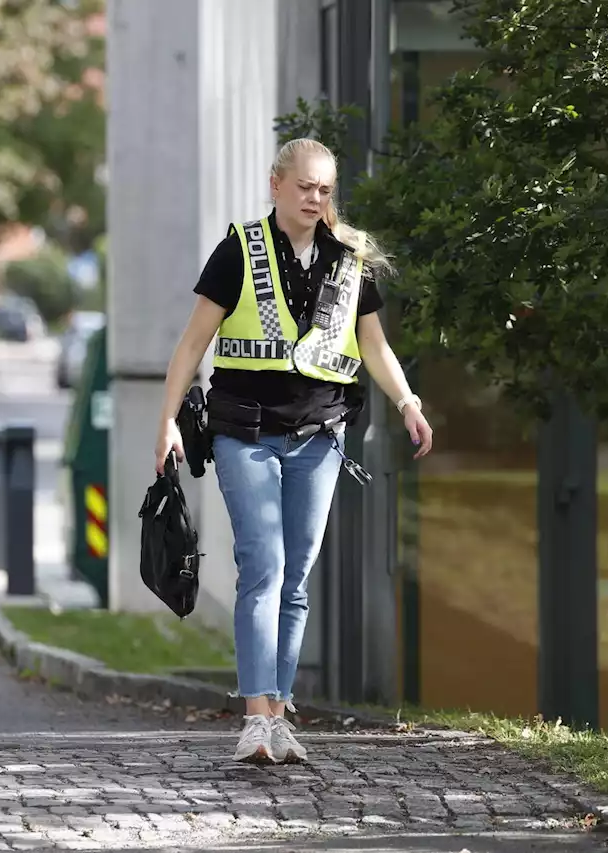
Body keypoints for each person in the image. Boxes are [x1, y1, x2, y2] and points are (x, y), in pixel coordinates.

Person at [154, 137, 433, 765]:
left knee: (296, 579)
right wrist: (168, 420)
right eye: (304, 186)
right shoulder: (238, 252)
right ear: (276, 185)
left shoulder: (347, 260)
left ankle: (279, 713)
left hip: (320, 438)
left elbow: (373, 346)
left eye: (325, 189)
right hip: (243, 434)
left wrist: (409, 402)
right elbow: (193, 342)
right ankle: (255, 717)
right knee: (264, 567)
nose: (315, 198)